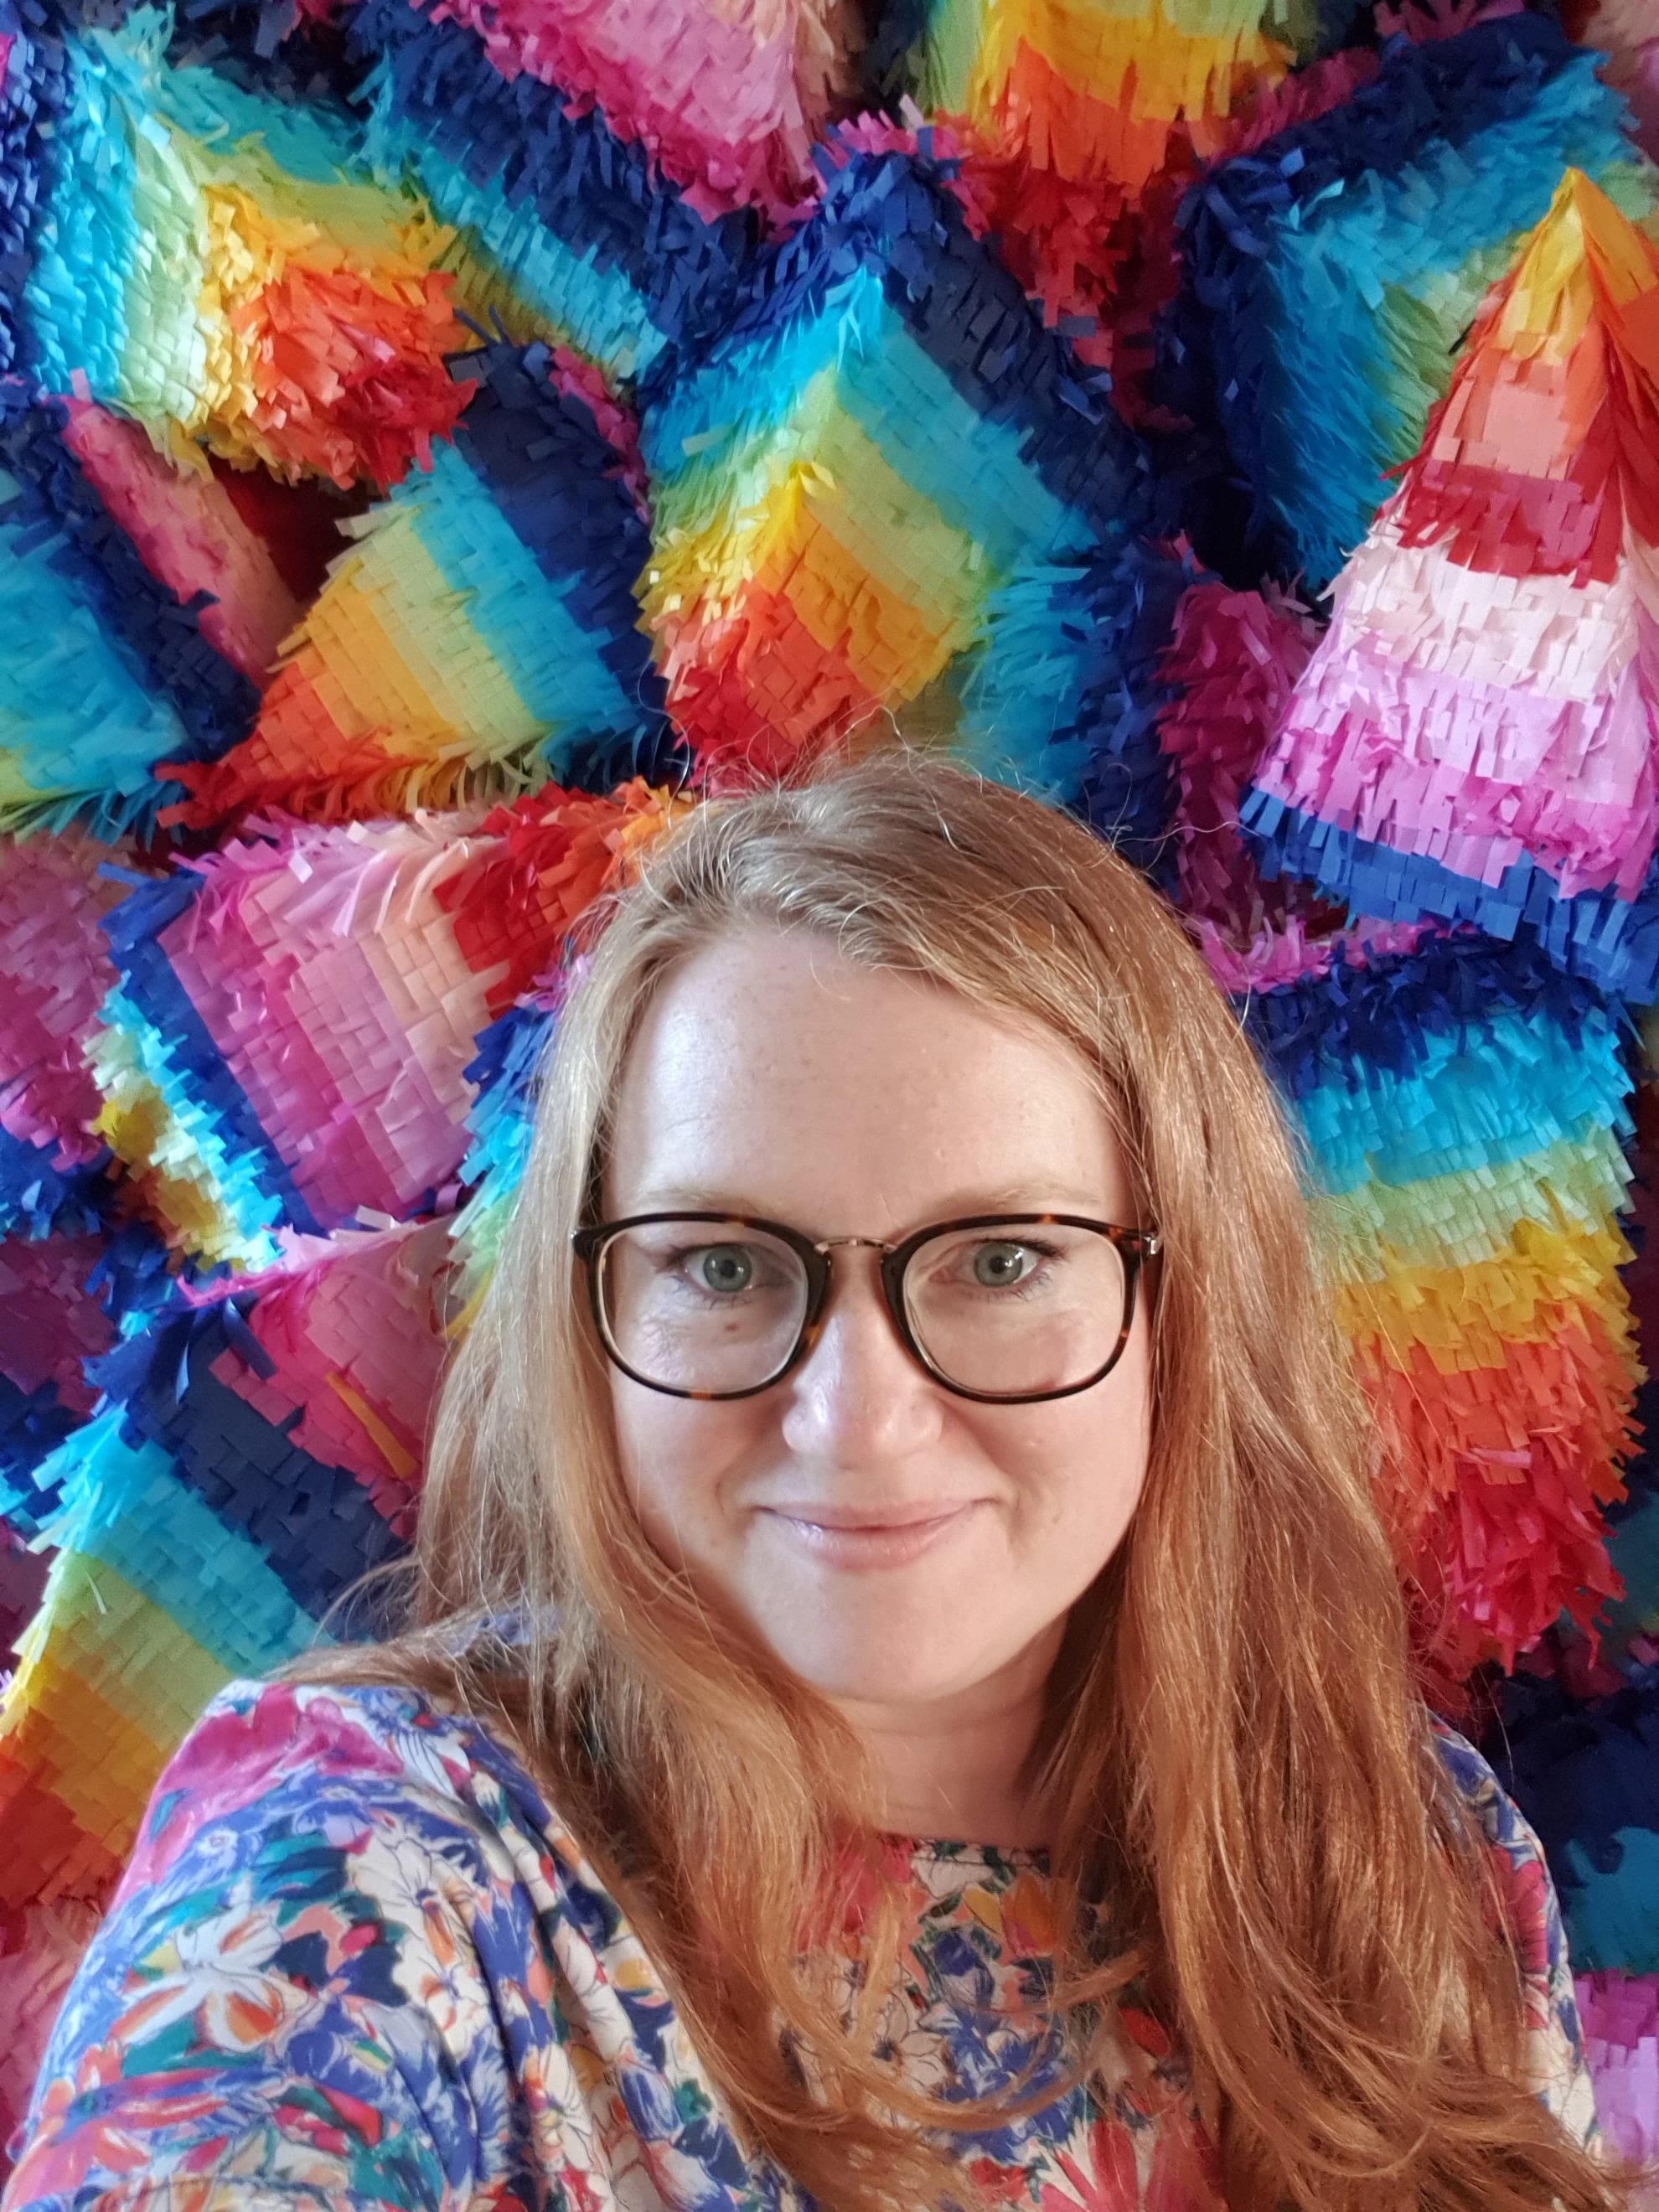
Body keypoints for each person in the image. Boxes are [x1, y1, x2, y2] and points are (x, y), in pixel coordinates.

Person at [3, 751, 1640, 2212]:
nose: (857, 1419)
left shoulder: (1414, 1858)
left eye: (1001, 1258)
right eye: (725, 1266)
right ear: (595, 1309)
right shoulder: (373, 1863)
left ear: (1180, 1306)